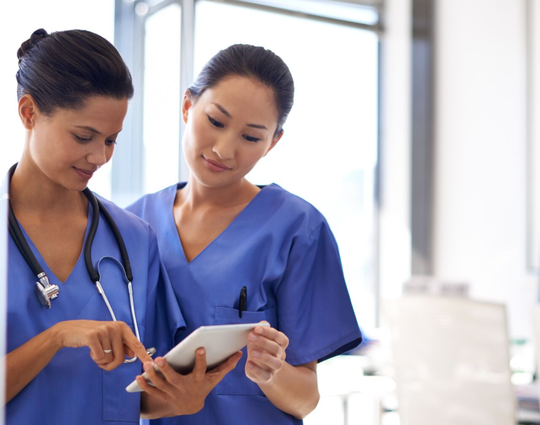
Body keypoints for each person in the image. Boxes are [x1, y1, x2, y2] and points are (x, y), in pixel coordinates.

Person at [5, 29, 241, 425]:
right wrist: (57, 336)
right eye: (84, 136)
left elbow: (139, 394)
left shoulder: (134, 238)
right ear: (29, 113)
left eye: (111, 140)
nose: (99, 156)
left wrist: (182, 399)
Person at [127, 44, 363, 424]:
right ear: (187, 106)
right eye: (216, 122)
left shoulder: (297, 228)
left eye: (251, 138)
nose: (223, 149)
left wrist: (271, 373)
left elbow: (305, 399)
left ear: (273, 142)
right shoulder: (132, 225)